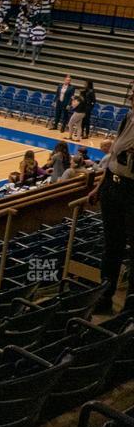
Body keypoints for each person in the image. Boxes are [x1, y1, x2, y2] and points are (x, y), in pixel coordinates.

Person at [89, 105, 134, 313]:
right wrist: (99, 187)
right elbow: (113, 159)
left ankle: (129, 308)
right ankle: (104, 296)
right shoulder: (128, 118)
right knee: (111, 246)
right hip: (112, 186)